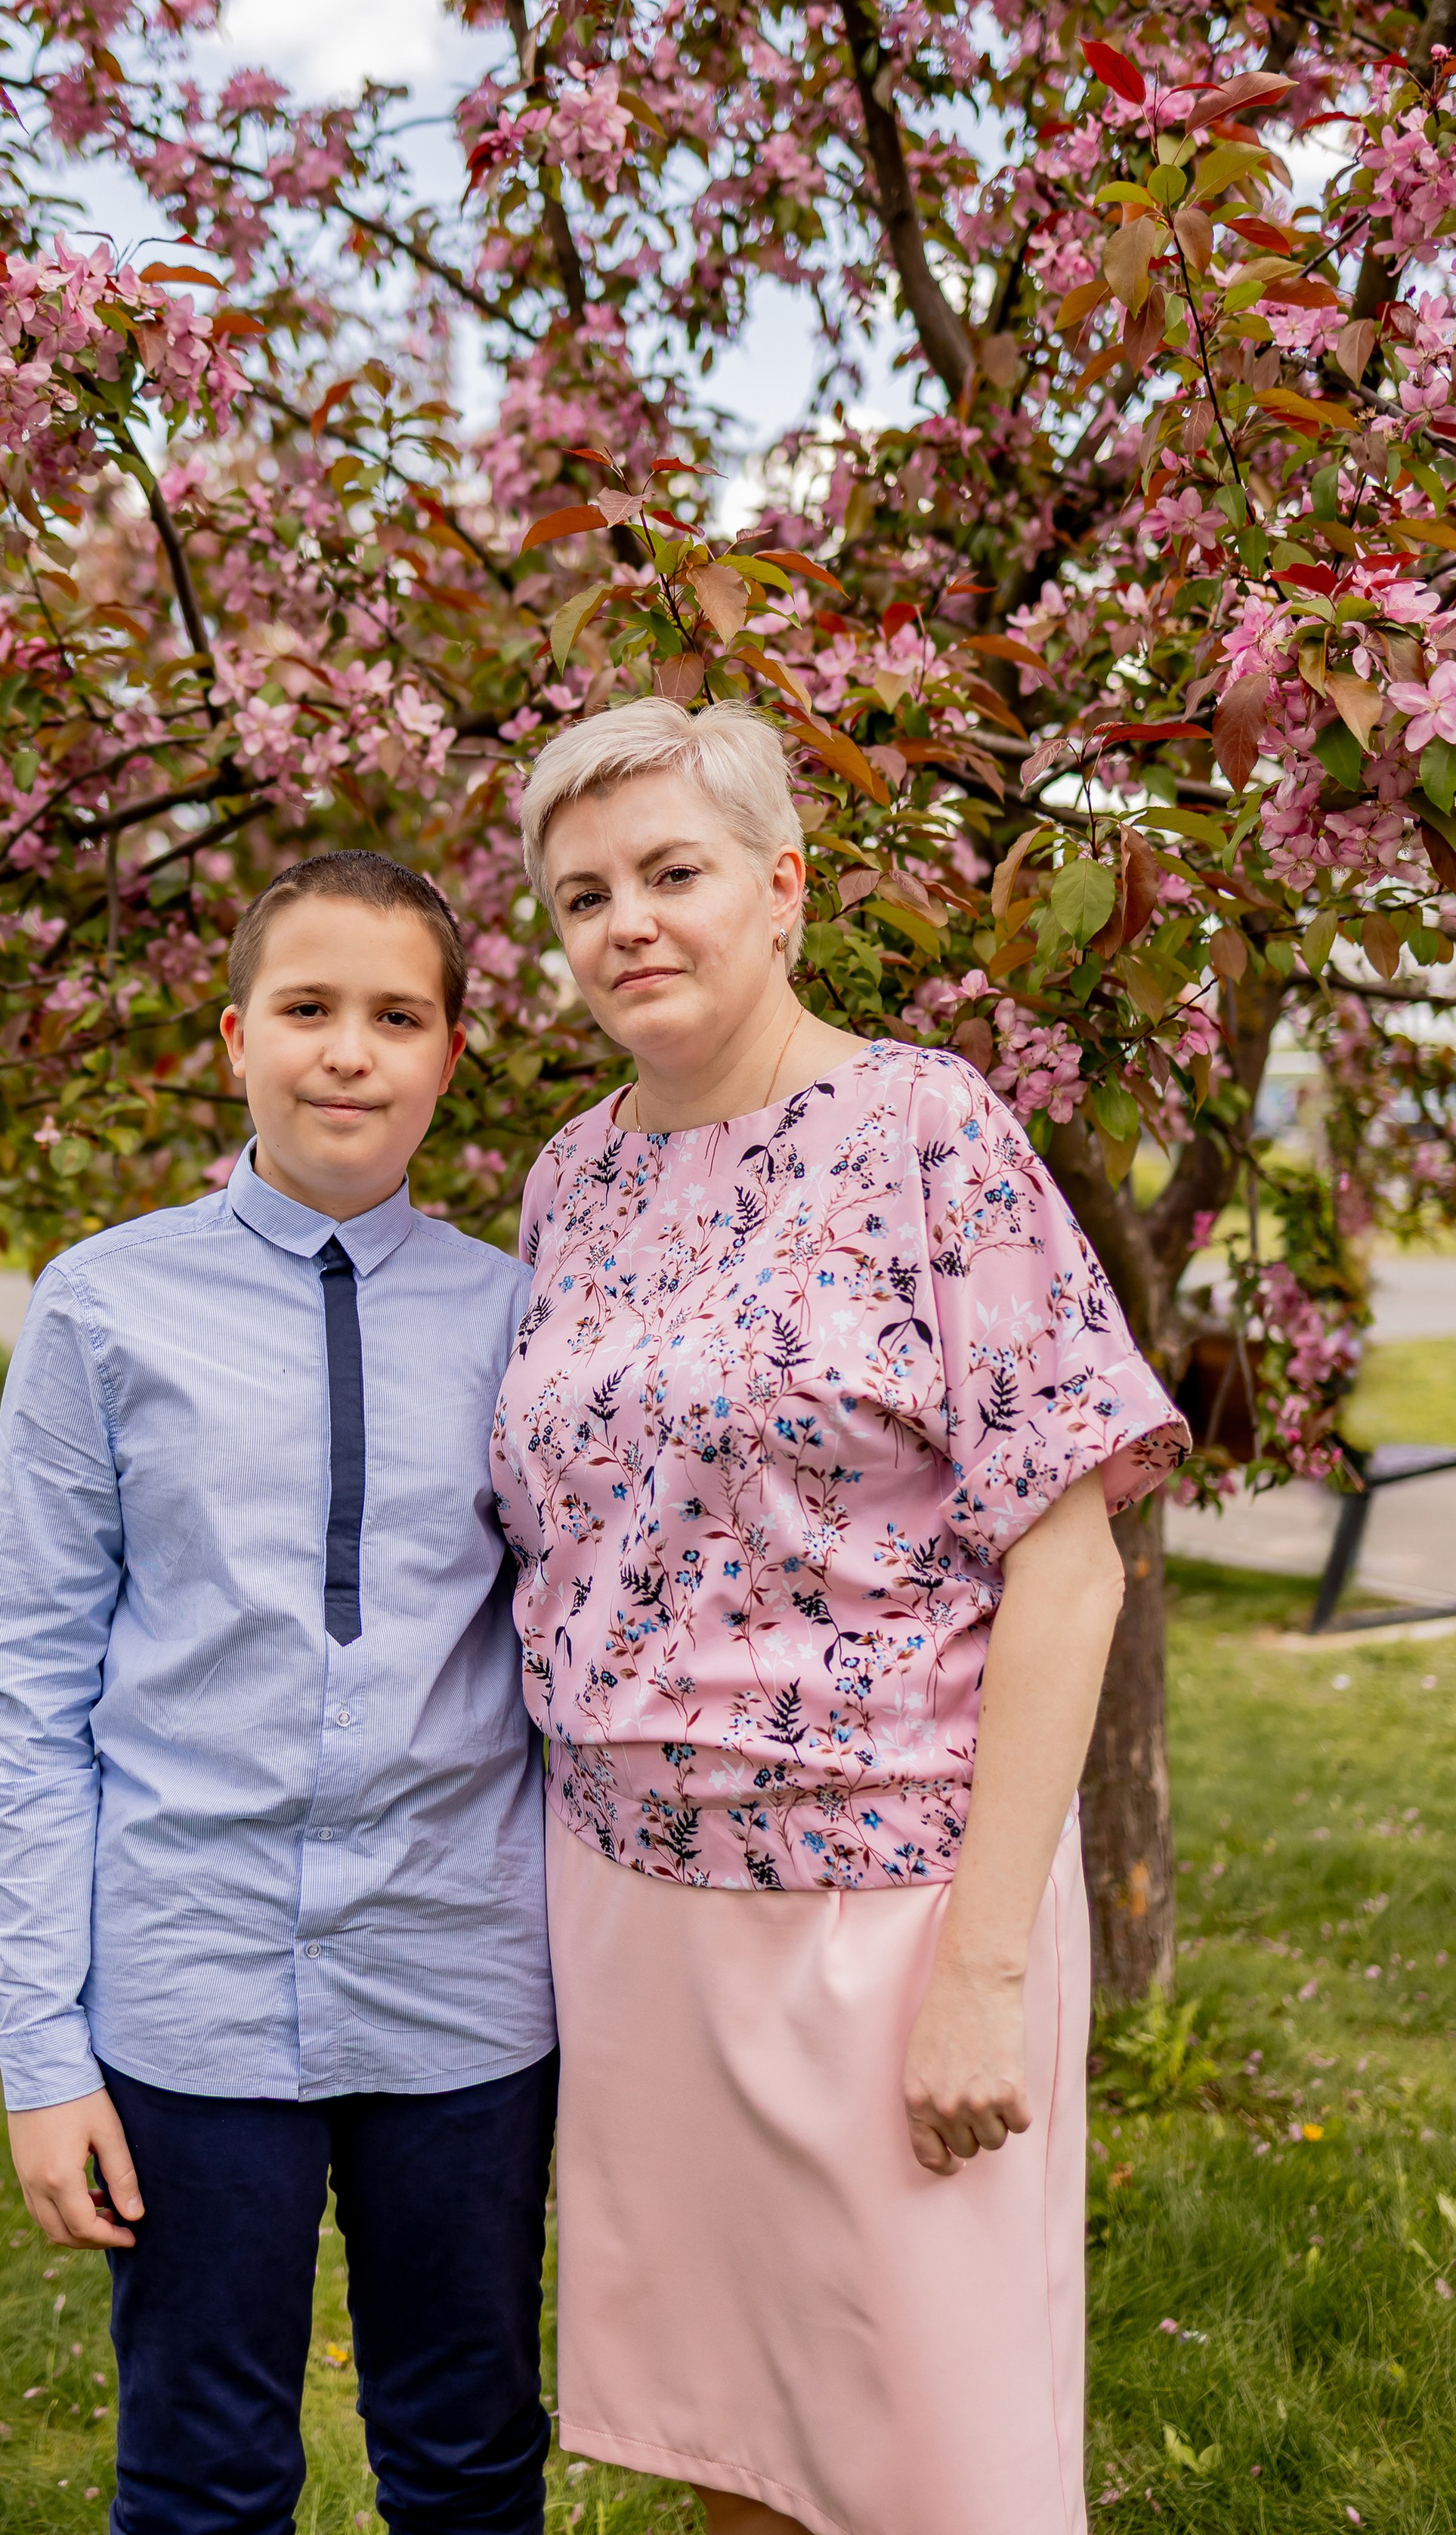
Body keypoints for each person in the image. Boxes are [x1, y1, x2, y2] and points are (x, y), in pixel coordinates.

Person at [491, 700, 1189, 2535]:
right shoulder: (570, 1177)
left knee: (931, 2461)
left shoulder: (923, 1130)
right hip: (636, 1911)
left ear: (781, 888)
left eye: (671, 873)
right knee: (744, 2447)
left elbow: (1069, 1562)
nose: (625, 922)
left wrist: (982, 1973)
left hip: (886, 1919)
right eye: (581, 896)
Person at [0, 850, 557, 2535]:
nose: (347, 1054)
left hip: (460, 1979)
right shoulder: (101, 1307)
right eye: (307, 1010)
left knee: (464, 2448)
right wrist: (40, 2050)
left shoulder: (519, 1319)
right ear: (236, 1038)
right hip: (186, 1982)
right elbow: (32, 1692)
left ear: (449, 1054)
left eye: (395, 1016)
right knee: (202, 2466)